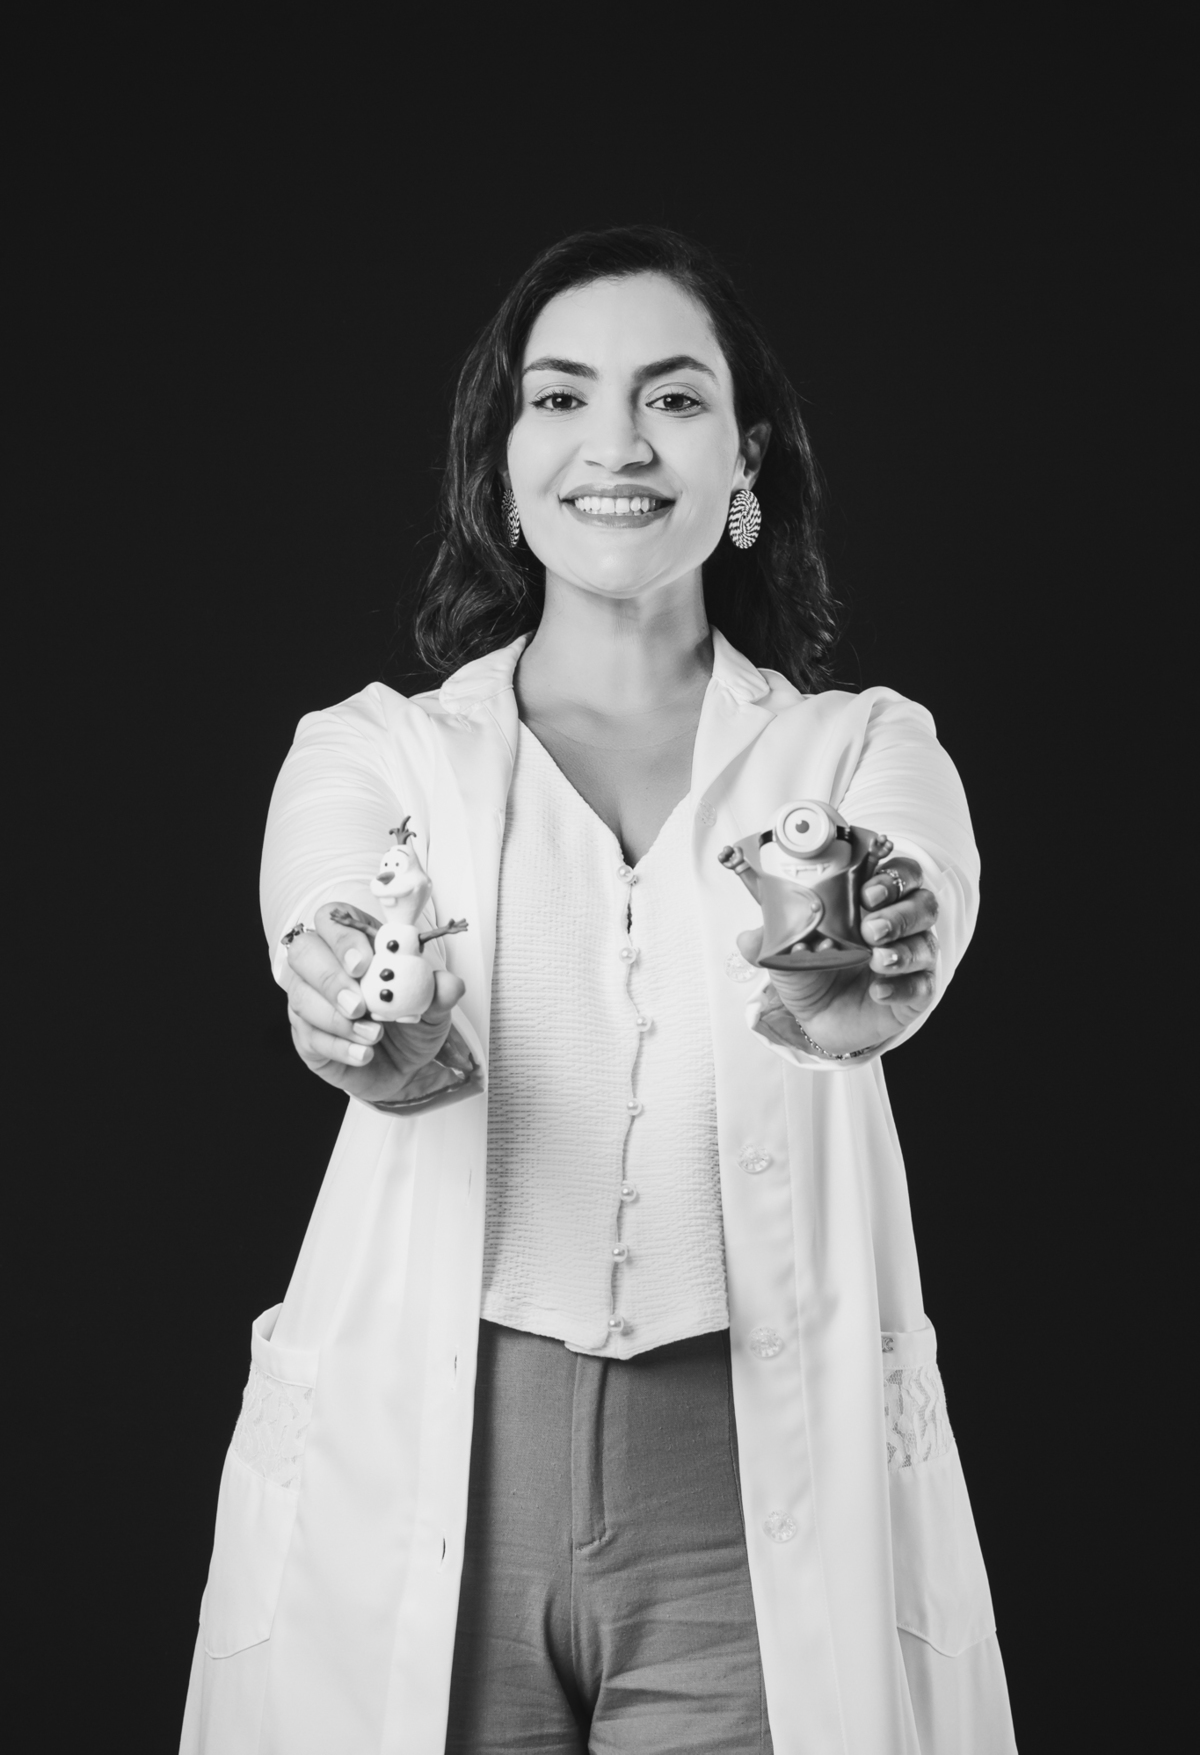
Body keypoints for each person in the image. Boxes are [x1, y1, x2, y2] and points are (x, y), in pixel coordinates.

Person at [180, 227, 1018, 1754]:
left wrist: (882, 956)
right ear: (503, 464)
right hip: (439, 1465)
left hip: (744, 1499)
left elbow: (913, 906)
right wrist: (358, 1009)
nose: (616, 444)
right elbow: (331, 912)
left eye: (673, 398)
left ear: (745, 459)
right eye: (561, 398)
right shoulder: (374, 751)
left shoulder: (860, 748)